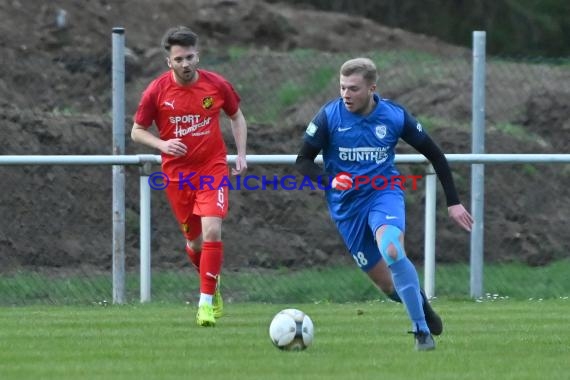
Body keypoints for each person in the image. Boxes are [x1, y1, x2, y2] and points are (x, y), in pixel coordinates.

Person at [295, 57, 473, 350]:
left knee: (392, 249)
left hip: (383, 193)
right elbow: (302, 162)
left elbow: (436, 154)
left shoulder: (393, 116)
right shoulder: (329, 117)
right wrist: (329, 180)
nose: (346, 95)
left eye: (353, 88)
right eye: (342, 88)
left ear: (371, 88)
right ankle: (422, 306)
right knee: (388, 285)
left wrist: (453, 202)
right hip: (346, 208)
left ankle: (421, 333)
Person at [131, 26, 247, 327]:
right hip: (177, 176)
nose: (185, 64)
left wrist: (242, 155)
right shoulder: (156, 91)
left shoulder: (217, 85)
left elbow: (236, 116)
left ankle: (205, 303)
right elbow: (137, 131)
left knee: (212, 232)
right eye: (179, 58)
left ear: (199, 56)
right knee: (195, 245)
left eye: (190, 57)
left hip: (212, 169)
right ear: (169, 61)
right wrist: (162, 144)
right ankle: (212, 284)